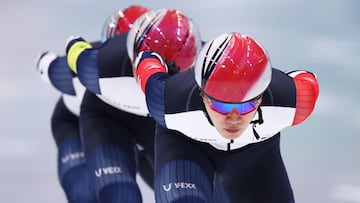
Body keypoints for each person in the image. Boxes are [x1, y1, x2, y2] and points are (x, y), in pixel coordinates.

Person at [134, 32, 320, 203]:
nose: (233, 118)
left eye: (246, 105)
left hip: (256, 156)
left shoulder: (294, 102)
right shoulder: (168, 102)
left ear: (261, 98)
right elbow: (148, 67)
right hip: (186, 145)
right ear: (202, 96)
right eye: (221, 106)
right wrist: (154, 57)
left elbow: (305, 81)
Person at [65, 8, 226, 203]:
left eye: (173, 78)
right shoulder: (100, 66)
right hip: (108, 117)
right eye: (148, 70)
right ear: (132, 61)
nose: (154, 85)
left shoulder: (212, 73)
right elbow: (73, 52)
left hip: (162, 124)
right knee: (120, 193)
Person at [35, 5, 150, 203]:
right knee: (87, 194)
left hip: (135, 127)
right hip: (77, 124)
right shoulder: (84, 71)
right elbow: (45, 63)